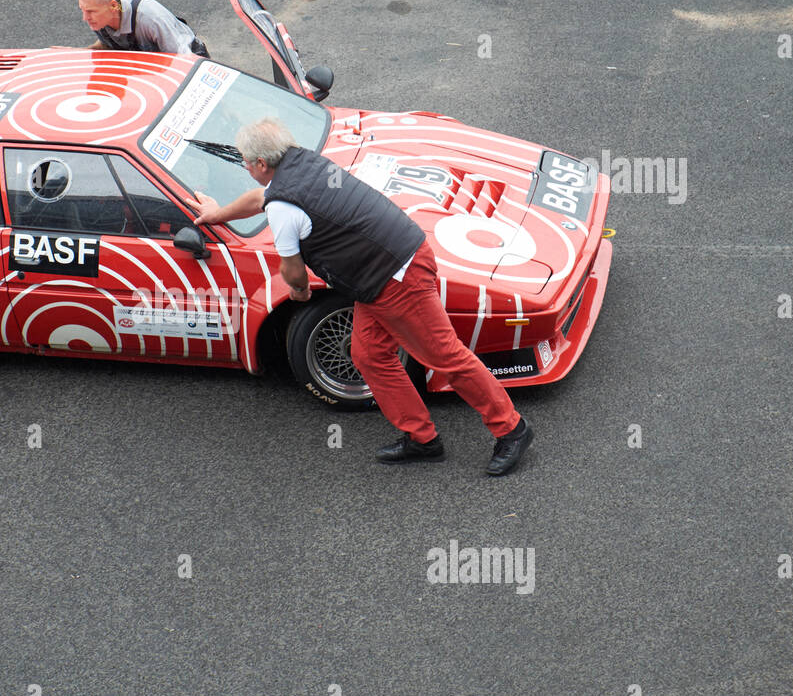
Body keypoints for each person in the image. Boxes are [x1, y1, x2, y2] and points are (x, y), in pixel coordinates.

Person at [188, 117, 534, 475]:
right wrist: (219, 214)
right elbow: (261, 197)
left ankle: (512, 429)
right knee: (368, 354)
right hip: (383, 273)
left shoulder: (283, 206)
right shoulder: (302, 162)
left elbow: (291, 269)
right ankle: (422, 438)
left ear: (261, 164)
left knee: (445, 357)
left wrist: (300, 290)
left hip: (396, 278)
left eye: (244, 161)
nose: (244, 168)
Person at [77, 0, 209, 56]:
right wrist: (75, 55)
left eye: (90, 11)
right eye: (82, 10)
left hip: (188, 57)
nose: (85, 18)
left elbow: (184, 60)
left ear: (113, 6)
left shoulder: (150, 19)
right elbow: (111, 43)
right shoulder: (101, 14)